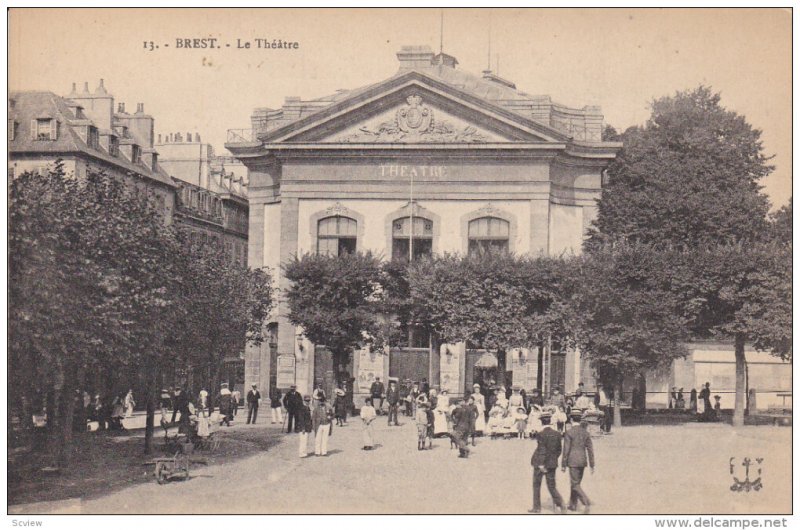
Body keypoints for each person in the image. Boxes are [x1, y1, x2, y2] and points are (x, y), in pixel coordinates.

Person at [529, 413, 566, 514]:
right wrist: (552, 459)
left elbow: (542, 450)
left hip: (539, 463)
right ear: (550, 421)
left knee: (536, 485)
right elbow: (559, 450)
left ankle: (536, 508)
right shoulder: (557, 434)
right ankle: (561, 504)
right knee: (551, 486)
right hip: (552, 463)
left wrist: (541, 464)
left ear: (541, 421)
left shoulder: (541, 434)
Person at [562, 417, 595, 514]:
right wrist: (592, 464)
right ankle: (573, 505)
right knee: (576, 483)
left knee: (574, 484)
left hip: (572, 461)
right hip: (582, 461)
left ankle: (586, 501)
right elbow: (590, 450)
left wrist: (563, 464)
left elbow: (566, 450)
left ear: (571, 420)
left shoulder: (569, 432)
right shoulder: (585, 433)